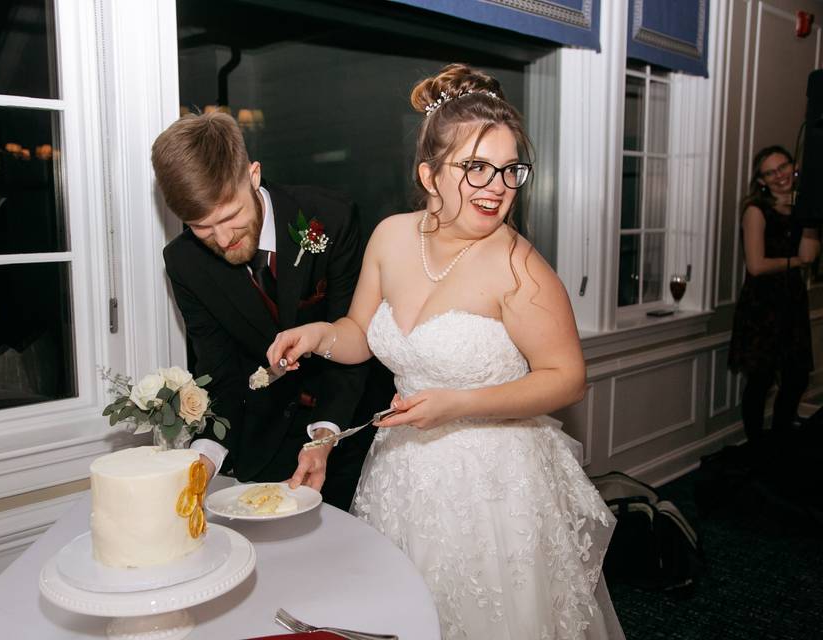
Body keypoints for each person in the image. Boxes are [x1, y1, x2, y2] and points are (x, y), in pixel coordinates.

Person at [266, 64, 624, 639]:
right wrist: (319, 337)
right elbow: (360, 333)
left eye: (510, 170)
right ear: (429, 174)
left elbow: (567, 378)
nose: (496, 186)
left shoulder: (520, 269)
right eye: (475, 167)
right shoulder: (390, 236)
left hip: (493, 485)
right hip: (402, 472)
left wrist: (457, 404)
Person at [152, 111, 387, 510]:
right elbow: (220, 372)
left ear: (254, 175)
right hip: (262, 441)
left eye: (230, 216)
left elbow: (355, 340)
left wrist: (325, 437)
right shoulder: (183, 262)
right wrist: (205, 457)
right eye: (201, 227)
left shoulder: (329, 218)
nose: (223, 239)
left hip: (347, 430)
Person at [729, 145, 820, 453]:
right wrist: (796, 261)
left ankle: (781, 441)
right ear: (762, 180)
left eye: (783, 167)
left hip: (792, 301)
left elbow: (812, 254)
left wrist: (808, 218)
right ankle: (757, 448)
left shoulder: (805, 208)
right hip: (763, 305)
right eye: (771, 172)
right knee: (761, 380)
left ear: (794, 167)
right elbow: (756, 265)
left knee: (795, 377)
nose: (780, 175)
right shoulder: (755, 210)